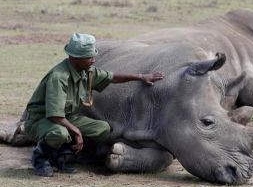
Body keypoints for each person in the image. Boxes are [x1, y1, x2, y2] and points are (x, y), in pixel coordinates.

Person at [24, 33, 164, 177]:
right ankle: (40, 157)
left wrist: (141, 77)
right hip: (42, 120)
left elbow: (112, 77)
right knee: (60, 133)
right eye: (89, 57)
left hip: (66, 118)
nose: (93, 60)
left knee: (102, 128)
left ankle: (61, 154)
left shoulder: (85, 71)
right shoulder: (59, 77)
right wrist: (76, 132)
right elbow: (55, 115)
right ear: (76, 58)